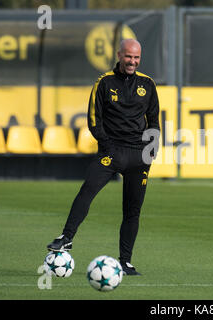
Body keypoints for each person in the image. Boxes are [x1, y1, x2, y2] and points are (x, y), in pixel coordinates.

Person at [47, 39, 160, 276]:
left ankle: (125, 262)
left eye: (137, 58)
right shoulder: (104, 82)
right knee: (87, 190)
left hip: (138, 156)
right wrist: (107, 146)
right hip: (112, 152)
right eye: (128, 57)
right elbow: (93, 119)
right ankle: (66, 237)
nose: (132, 62)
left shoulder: (147, 84)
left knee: (132, 210)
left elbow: (154, 120)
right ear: (119, 55)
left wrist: (152, 147)